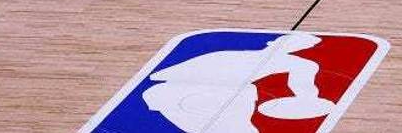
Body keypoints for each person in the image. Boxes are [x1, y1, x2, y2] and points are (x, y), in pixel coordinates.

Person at [142, 33, 335, 133]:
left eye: (303, 45)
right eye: (294, 43)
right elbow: (159, 77)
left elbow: (305, 90)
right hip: (175, 93)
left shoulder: (298, 63)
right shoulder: (223, 57)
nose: (297, 47)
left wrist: (308, 103)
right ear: (273, 43)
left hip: (180, 94)